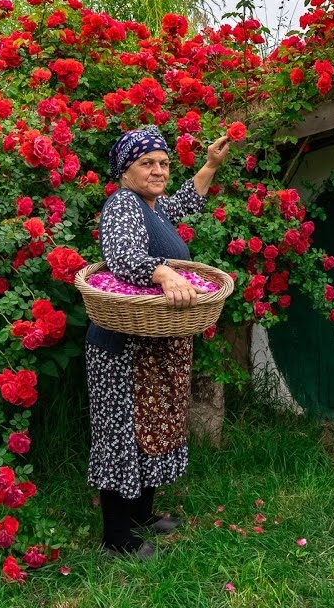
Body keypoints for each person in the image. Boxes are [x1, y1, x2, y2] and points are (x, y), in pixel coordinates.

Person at [86, 127, 230, 559]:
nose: (159, 170)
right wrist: (165, 273)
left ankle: (141, 515)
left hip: (155, 342)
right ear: (124, 171)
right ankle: (116, 536)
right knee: (123, 433)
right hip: (123, 347)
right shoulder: (121, 206)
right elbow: (124, 258)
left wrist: (209, 165)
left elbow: (186, 200)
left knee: (151, 427)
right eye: (147, 163)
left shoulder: (153, 207)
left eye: (164, 163)